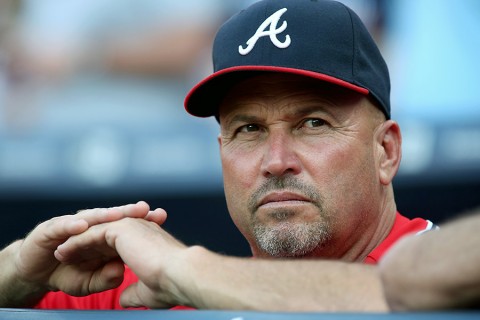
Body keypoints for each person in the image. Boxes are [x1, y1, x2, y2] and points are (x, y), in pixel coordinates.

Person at [0, 0, 441, 311]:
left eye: (313, 123)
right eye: (248, 129)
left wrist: (182, 269)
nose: (276, 159)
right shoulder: (165, 290)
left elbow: (384, 297)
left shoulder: (448, 268)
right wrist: (24, 269)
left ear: (386, 151)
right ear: (221, 151)